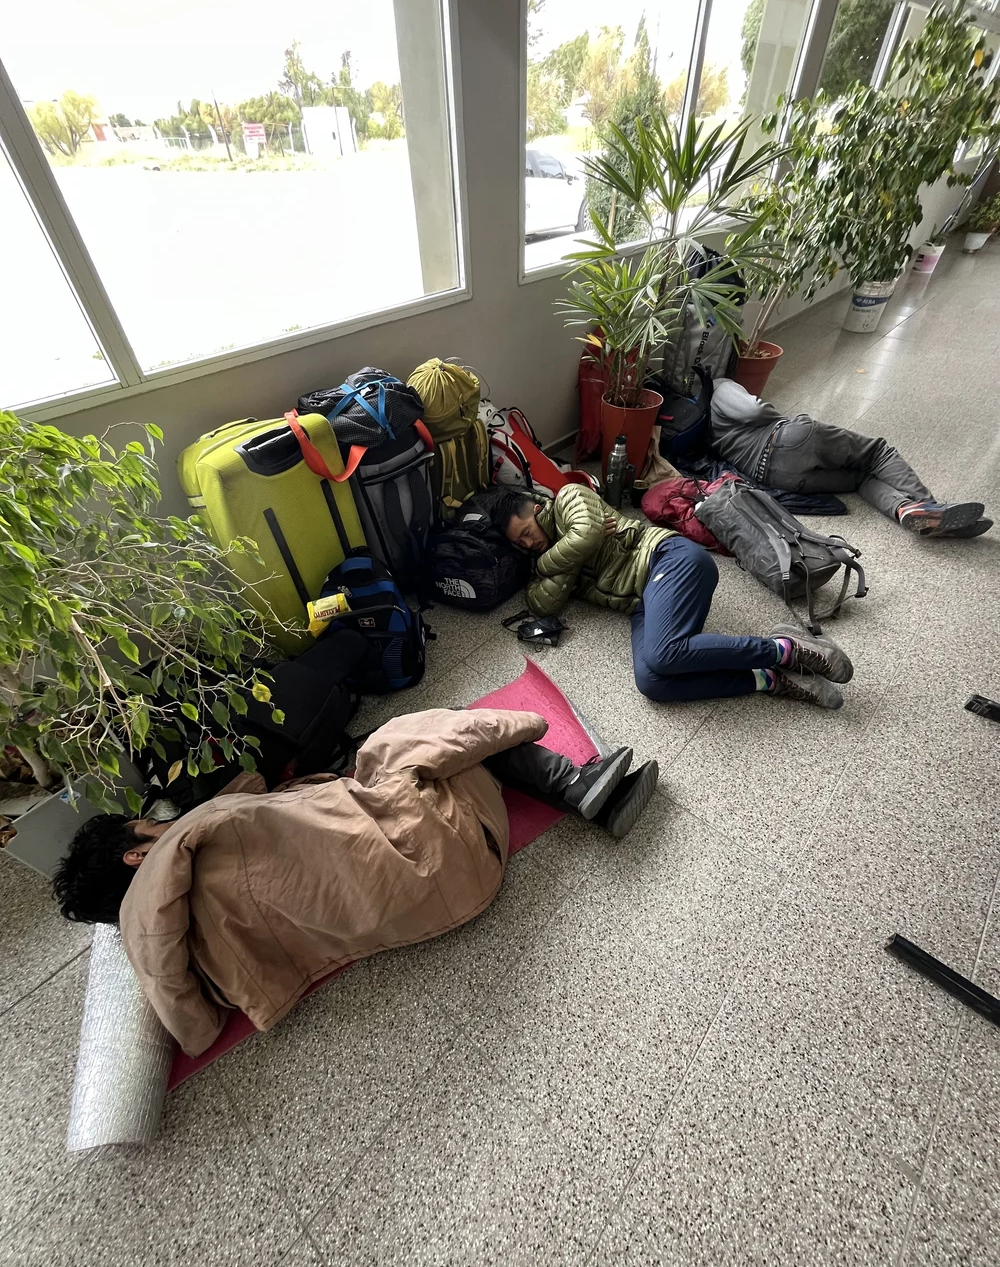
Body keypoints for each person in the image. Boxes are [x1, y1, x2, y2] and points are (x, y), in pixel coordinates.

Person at [52, 707, 657, 1056]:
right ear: (136, 857)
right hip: (449, 847)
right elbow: (263, 800)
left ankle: (587, 794)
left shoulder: (160, 946)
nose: (163, 825)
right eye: (148, 825)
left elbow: (196, 1030)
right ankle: (575, 784)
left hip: (428, 906)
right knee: (398, 742)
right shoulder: (193, 837)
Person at [493, 484, 855, 709]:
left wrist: (560, 555)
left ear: (538, 510)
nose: (528, 543)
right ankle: (771, 678)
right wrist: (566, 557)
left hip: (668, 558)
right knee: (653, 682)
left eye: (527, 531)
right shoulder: (552, 557)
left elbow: (586, 535)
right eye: (520, 543)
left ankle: (786, 649)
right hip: (641, 602)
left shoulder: (570, 497)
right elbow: (544, 603)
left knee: (665, 653)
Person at [710, 378, 993, 538]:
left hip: (777, 478)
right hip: (784, 439)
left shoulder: (699, 434)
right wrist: (783, 420)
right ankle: (930, 507)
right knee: (878, 452)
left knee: (860, 479)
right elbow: (754, 412)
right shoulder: (719, 386)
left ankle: (905, 509)